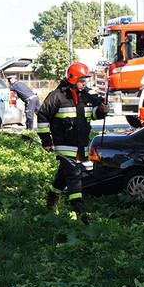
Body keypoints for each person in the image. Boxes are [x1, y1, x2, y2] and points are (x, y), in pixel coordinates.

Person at [37, 63, 109, 224]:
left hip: (81, 146)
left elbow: (94, 115)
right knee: (75, 175)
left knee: (64, 176)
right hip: (64, 145)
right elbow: (42, 116)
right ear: (73, 78)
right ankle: (81, 213)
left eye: (86, 80)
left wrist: (102, 110)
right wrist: (46, 141)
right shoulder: (57, 96)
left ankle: (51, 201)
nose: (85, 84)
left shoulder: (87, 97)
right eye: (82, 80)